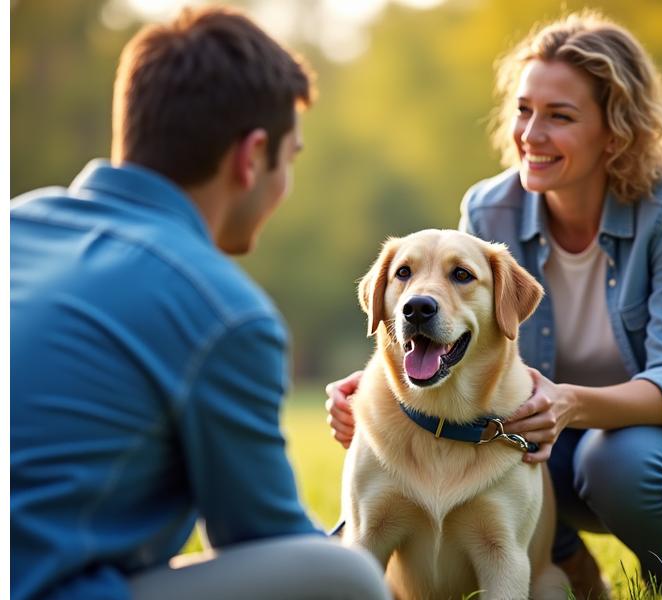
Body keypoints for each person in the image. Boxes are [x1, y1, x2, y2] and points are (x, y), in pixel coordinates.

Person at [325, 10, 662, 600]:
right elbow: (457, 329)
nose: (530, 134)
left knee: (617, 459)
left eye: (559, 116)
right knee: (505, 454)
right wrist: (387, 389)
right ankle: (574, 572)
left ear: (616, 131)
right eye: (524, 110)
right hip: (557, 436)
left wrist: (564, 405)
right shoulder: (489, 210)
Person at [11, 7, 390, 600]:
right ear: (251, 157)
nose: (284, 184)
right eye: (289, 160)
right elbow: (263, 538)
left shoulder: (18, 222)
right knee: (343, 579)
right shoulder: (222, 312)